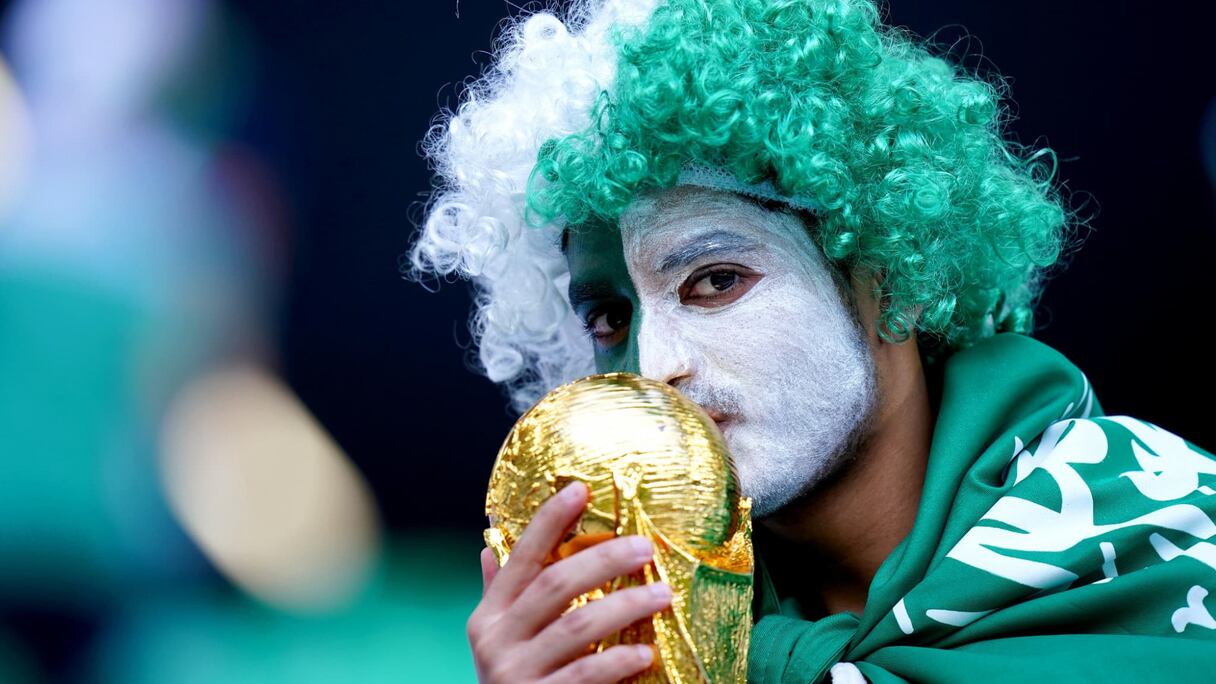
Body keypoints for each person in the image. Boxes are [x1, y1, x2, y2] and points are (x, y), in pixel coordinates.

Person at [411, 0, 1216, 681]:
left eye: (716, 280)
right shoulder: (620, 633)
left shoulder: (1175, 545)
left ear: (890, 278)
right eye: (611, 320)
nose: (653, 371)